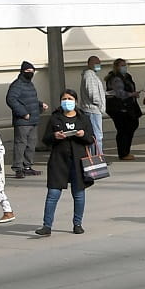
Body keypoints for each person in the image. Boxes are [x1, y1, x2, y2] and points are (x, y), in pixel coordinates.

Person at [36, 91, 92, 236]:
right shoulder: (55, 118)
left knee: (78, 193)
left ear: (76, 101)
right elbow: (46, 139)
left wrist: (82, 135)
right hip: (58, 160)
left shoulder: (83, 118)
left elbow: (91, 138)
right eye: (64, 99)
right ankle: (47, 226)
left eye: (70, 99)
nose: (67, 101)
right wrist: (55, 136)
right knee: (53, 193)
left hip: (78, 160)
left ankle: (77, 224)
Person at [4, 61, 45, 176]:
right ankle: (18, 168)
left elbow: (30, 99)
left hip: (33, 120)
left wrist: (40, 104)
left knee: (31, 144)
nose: (30, 73)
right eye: (28, 71)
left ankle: (27, 166)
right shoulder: (17, 85)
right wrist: (23, 113)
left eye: (32, 71)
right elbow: (11, 99)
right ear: (22, 71)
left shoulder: (29, 84)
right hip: (23, 121)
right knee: (20, 144)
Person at [105, 58, 141, 161]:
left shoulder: (127, 76)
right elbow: (119, 93)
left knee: (130, 127)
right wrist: (131, 94)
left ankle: (126, 151)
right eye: (122, 65)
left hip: (129, 106)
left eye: (125, 65)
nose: (124, 67)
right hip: (120, 108)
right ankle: (123, 152)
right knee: (124, 130)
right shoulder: (115, 78)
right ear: (117, 67)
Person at [80, 55, 107, 150]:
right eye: (96, 63)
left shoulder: (91, 75)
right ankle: (98, 157)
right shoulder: (89, 75)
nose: (98, 65)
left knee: (96, 135)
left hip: (94, 109)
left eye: (99, 63)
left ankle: (97, 156)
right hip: (93, 110)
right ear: (89, 64)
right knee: (97, 136)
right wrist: (100, 105)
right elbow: (93, 94)